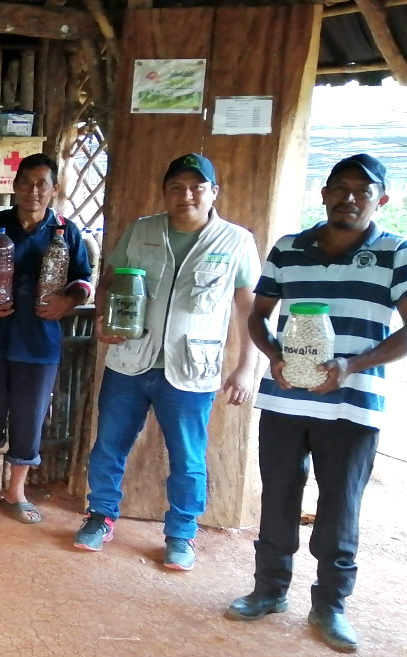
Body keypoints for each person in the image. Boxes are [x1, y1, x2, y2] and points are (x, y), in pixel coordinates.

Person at [225, 154, 405, 653]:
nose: (349, 197)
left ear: (380, 200)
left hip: (353, 403)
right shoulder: (289, 248)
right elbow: (258, 316)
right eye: (339, 187)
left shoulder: (395, 252)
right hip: (286, 397)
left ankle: (330, 605)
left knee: (339, 506)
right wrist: (274, 357)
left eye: (362, 190)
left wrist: (352, 366)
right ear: (323, 193)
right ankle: (268, 590)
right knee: (278, 494)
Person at [74, 154, 261, 571]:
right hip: (129, 362)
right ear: (165, 192)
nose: (186, 195)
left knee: (188, 456)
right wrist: (104, 319)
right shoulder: (143, 231)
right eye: (176, 187)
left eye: (197, 187)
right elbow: (109, 281)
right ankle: (100, 516)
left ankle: (181, 533)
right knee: (109, 446)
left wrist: (248, 366)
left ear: (214, 192)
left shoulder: (236, 241)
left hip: (192, 370)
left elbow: (250, 308)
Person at [0, 153, 93, 525]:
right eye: (26, 183)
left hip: (39, 343)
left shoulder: (67, 232)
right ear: (14, 186)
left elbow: (83, 281)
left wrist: (68, 300)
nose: (33, 190)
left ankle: (17, 491)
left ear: (54, 189)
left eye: (41, 184)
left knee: (30, 420)